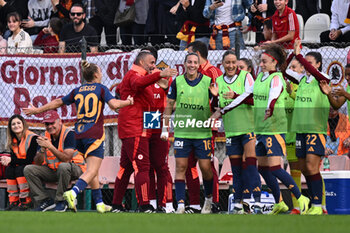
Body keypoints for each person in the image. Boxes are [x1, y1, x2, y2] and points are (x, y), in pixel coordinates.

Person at [23, 60, 133, 213]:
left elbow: (57, 102)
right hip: (94, 134)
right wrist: (128, 102)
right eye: (100, 72)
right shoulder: (101, 89)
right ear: (96, 75)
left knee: (91, 169)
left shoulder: (78, 90)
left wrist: (37, 110)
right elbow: (114, 105)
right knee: (93, 169)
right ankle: (73, 193)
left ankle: (100, 203)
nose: (101, 74)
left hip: (79, 134)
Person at [111, 52, 178, 213]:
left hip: (152, 122)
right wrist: (160, 75)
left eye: (155, 63)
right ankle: (146, 205)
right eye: (152, 62)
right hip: (136, 127)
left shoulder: (155, 77)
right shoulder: (136, 75)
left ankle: (117, 205)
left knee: (131, 167)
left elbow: (170, 101)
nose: (154, 66)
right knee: (143, 167)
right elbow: (136, 84)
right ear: (142, 61)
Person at [253, 43, 309, 215]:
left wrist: (270, 107)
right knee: (262, 168)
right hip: (261, 129)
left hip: (274, 128)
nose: (261, 64)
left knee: (275, 168)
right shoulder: (260, 78)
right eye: (260, 61)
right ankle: (279, 203)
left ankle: (301, 198)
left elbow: (275, 94)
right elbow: (250, 96)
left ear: (273, 62)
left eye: (264, 61)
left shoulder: (276, 77)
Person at [161, 53, 215, 214]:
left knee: (205, 168)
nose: (192, 65)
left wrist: (213, 117)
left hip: (202, 133)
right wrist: (165, 128)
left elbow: (217, 105)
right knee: (181, 166)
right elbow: (169, 105)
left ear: (199, 65)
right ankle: (181, 205)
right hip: (182, 132)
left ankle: (208, 200)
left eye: (195, 62)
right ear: (184, 64)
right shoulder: (177, 82)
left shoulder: (207, 82)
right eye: (189, 62)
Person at [210, 50, 263, 214]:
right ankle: (239, 203)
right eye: (228, 63)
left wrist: (236, 95)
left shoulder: (246, 77)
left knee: (251, 165)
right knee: (236, 168)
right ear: (223, 64)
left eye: (233, 62)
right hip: (231, 131)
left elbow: (254, 98)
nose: (231, 65)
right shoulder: (218, 81)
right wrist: (214, 97)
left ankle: (257, 203)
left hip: (248, 128)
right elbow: (216, 108)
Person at [287, 39, 330, 215]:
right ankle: (315, 204)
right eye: (305, 63)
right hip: (300, 131)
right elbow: (284, 69)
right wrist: (292, 53)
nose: (306, 66)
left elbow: (311, 70)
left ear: (318, 64)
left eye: (310, 63)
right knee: (304, 168)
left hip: (315, 130)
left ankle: (319, 206)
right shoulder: (302, 80)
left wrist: (299, 55)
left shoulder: (323, 79)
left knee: (312, 168)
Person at [24, 110, 86, 212]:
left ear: (59, 122)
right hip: (56, 170)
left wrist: (50, 147)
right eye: (47, 124)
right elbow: (38, 162)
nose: (49, 126)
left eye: (52, 123)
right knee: (29, 169)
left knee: (63, 166)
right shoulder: (45, 136)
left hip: (76, 168)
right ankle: (45, 200)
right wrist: (42, 150)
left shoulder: (69, 134)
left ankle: (61, 201)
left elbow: (66, 159)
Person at [185, 40, 221, 213]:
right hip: (189, 126)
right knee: (187, 164)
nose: (189, 60)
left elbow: (219, 100)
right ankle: (193, 204)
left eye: (191, 55)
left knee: (206, 165)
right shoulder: (192, 74)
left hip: (206, 127)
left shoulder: (213, 72)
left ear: (197, 55)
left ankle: (212, 202)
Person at [140, 47, 175, 213]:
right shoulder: (139, 76)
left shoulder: (162, 72)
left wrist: (158, 75)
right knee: (147, 167)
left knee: (162, 166)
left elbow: (167, 88)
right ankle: (151, 203)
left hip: (158, 120)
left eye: (152, 60)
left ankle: (167, 203)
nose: (150, 64)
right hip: (144, 122)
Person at [0, 115, 38, 210]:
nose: (16, 126)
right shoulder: (13, 141)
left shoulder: (32, 138)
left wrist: (11, 160)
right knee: (9, 169)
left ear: (23, 124)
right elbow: (14, 159)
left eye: (18, 123)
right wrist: (6, 161)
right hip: (21, 166)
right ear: (10, 128)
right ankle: (13, 201)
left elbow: (29, 160)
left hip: (34, 167)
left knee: (20, 169)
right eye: (13, 124)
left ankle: (25, 200)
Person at [283, 57, 303, 214]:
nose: (292, 70)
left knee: (311, 171)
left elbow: (304, 105)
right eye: (290, 68)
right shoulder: (284, 86)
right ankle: (297, 207)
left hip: (303, 136)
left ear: (302, 70)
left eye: (294, 67)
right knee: (294, 173)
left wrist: (291, 94)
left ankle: (320, 205)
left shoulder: (304, 86)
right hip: (289, 137)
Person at [322, 64, 350, 156]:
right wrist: (329, 93)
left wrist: (345, 94)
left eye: (349, 74)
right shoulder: (348, 87)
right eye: (345, 74)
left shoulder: (345, 92)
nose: (346, 77)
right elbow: (336, 105)